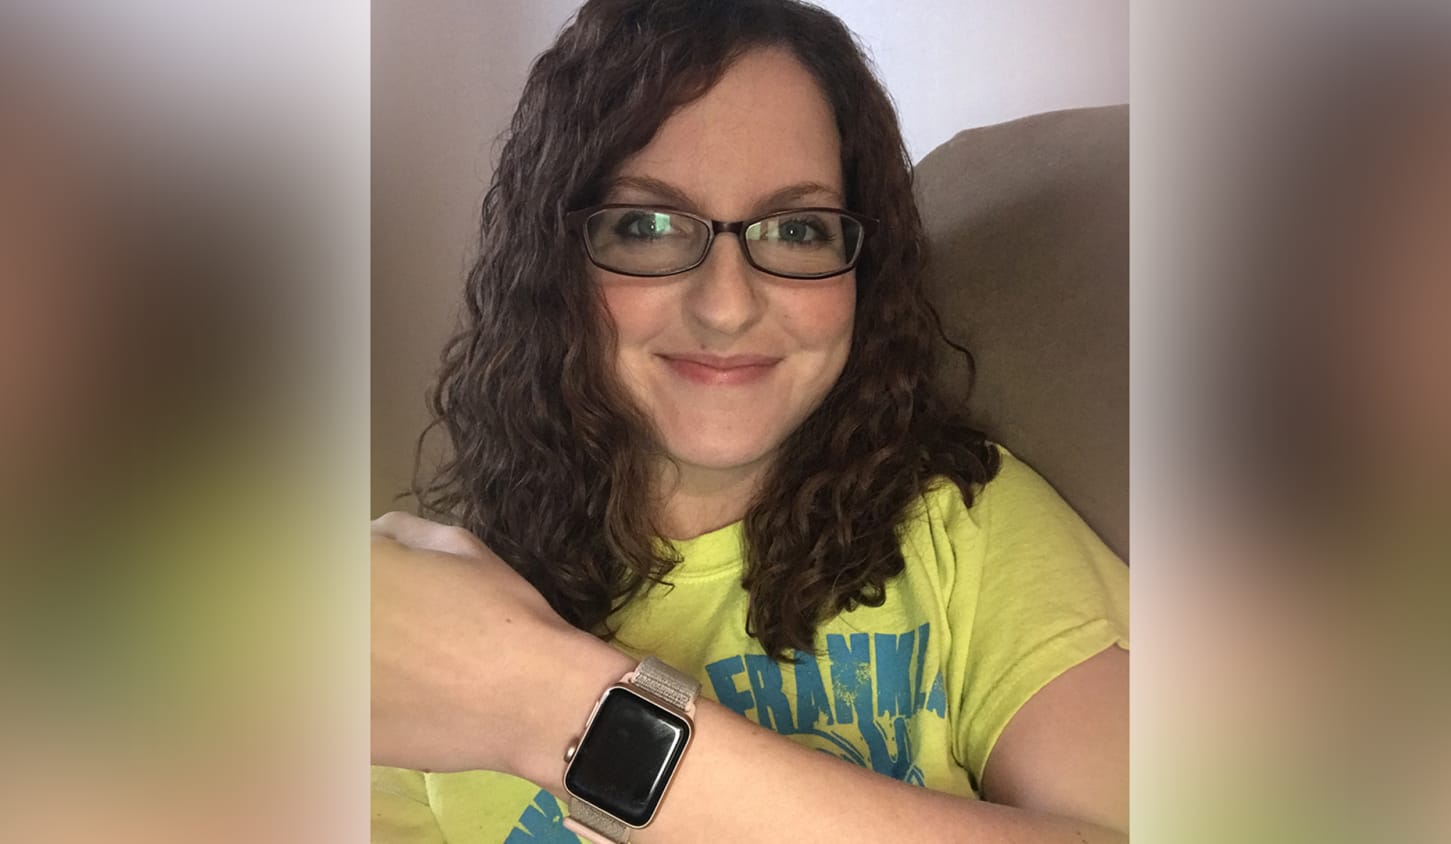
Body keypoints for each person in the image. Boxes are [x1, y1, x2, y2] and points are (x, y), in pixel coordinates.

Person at [372, 0, 1128, 841]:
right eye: (647, 226)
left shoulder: (968, 529)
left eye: (797, 229)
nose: (728, 306)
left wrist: (546, 704)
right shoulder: (417, 621)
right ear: (553, 263)